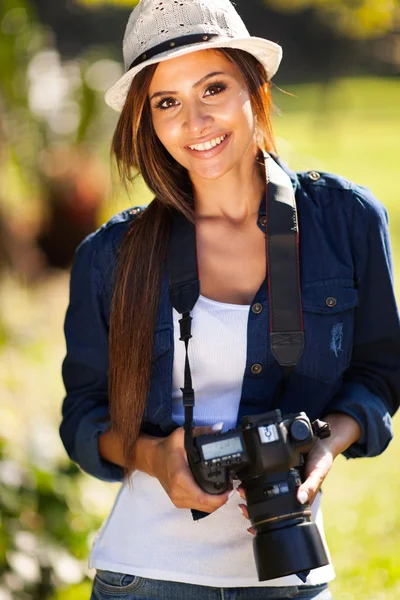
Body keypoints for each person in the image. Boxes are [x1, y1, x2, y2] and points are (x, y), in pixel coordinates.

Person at [60, 1, 400, 599]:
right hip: (145, 577)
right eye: (167, 102)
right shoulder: (111, 256)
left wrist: (325, 443)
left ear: (254, 82)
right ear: (147, 120)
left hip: (293, 574)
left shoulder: (345, 222)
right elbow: (85, 419)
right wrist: (155, 458)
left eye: (213, 87)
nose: (195, 121)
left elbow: (381, 372)